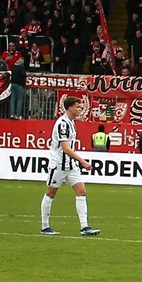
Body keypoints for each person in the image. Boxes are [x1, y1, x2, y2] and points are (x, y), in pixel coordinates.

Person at [41, 94, 97, 237]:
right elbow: (65, 148)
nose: (80, 109)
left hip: (71, 165)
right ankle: (45, 226)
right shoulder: (62, 124)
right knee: (51, 193)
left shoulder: (72, 122)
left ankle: (84, 227)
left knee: (82, 191)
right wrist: (83, 161)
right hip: (59, 165)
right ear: (70, 107)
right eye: (78, 107)